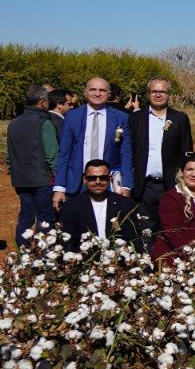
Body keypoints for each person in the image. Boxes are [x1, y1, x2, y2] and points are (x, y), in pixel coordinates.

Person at [53, 77, 134, 211]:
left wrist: (126, 185)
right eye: (93, 90)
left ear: (109, 94)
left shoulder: (121, 117)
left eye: (102, 90)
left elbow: (126, 154)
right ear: (85, 93)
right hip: (78, 182)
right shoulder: (72, 116)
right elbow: (64, 154)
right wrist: (60, 187)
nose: (97, 93)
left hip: (108, 182)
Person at [57, 159, 151, 253]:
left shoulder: (125, 204)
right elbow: (68, 242)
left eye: (103, 178)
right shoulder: (71, 207)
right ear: (85, 180)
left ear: (110, 179)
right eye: (92, 178)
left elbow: (134, 240)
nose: (98, 181)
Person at [130, 77, 194, 213]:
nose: (158, 95)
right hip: (144, 186)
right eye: (154, 91)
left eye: (162, 92)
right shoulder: (136, 118)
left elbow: (186, 151)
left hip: (171, 185)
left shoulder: (180, 119)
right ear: (148, 94)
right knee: (145, 229)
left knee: (170, 228)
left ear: (168, 94)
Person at [8, 85, 58, 242]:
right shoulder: (45, 123)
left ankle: (23, 251)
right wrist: (58, 178)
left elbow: (9, 153)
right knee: (45, 217)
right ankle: (44, 255)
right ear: (43, 102)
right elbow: (52, 155)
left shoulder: (13, 123)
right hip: (42, 178)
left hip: (21, 179)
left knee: (26, 216)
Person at [153, 152, 195, 261]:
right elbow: (173, 233)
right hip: (180, 260)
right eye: (189, 169)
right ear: (182, 172)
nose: (194, 174)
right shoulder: (172, 197)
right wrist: (193, 256)